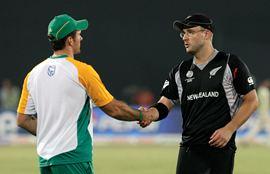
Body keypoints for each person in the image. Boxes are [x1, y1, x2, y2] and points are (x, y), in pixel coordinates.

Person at [16, 14, 155, 174]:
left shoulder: (33, 74)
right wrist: (142, 115)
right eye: (79, 34)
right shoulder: (82, 71)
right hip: (73, 158)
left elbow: (23, 119)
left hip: (45, 160)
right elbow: (114, 109)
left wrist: (51, 134)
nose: (81, 37)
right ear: (70, 40)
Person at [139, 13, 259, 174]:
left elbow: (252, 101)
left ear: (207, 34)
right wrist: (149, 114)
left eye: (190, 32)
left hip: (221, 149)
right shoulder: (179, 70)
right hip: (189, 149)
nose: (184, 37)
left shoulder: (231, 63)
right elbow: (164, 104)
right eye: (183, 33)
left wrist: (229, 129)